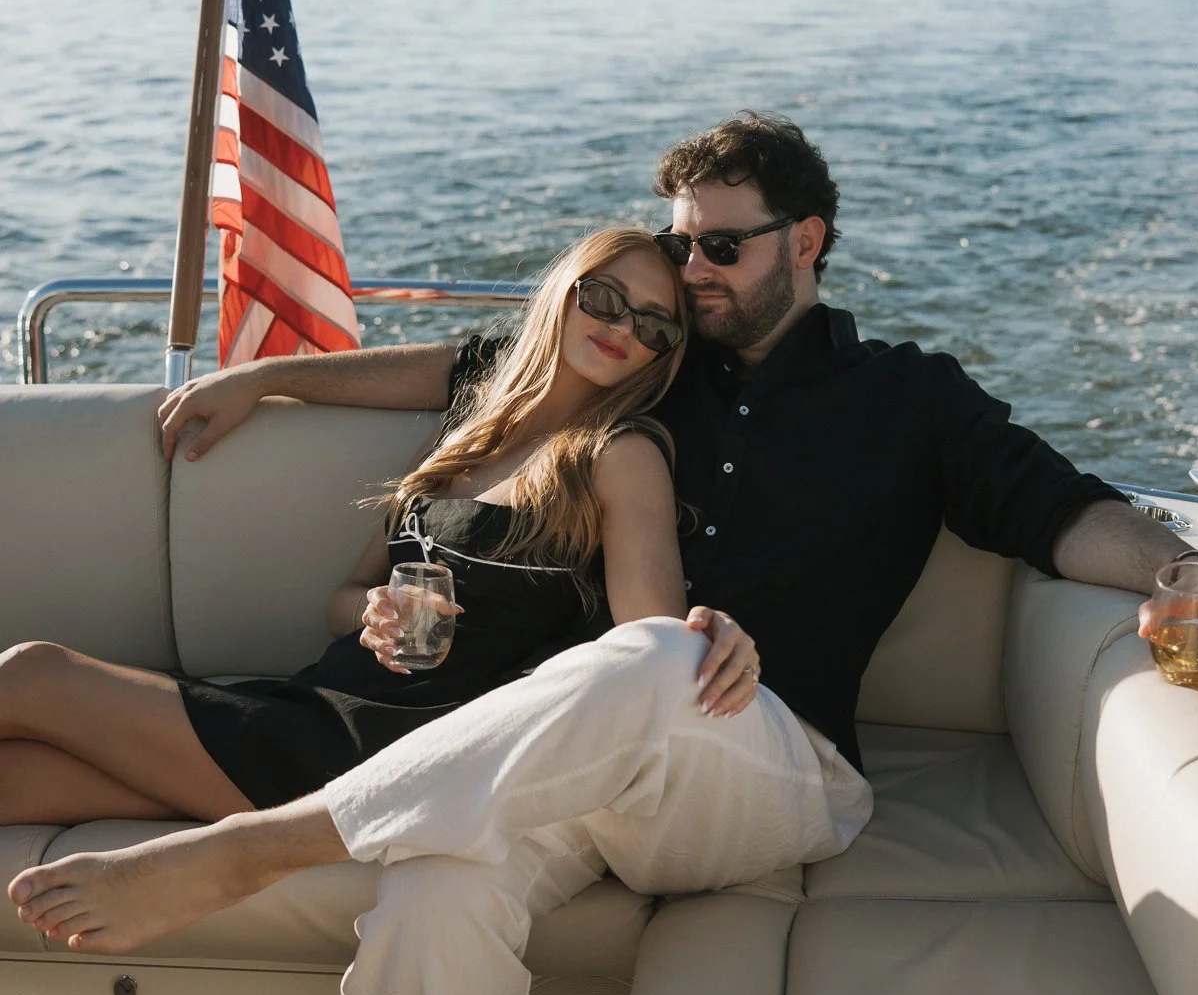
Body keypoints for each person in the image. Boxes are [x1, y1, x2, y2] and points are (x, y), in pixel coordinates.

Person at [9, 113, 1198, 995]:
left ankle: (258, 846)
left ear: (807, 241)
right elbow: (477, 367)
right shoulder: (646, 378)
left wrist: (1187, 571)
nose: (695, 276)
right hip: (576, 768)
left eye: (720, 250)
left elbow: (1061, 509)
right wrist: (273, 382)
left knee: (655, 653)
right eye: (681, 249)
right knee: (434, 908)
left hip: (769, 771)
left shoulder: (907, 398)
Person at [0, 224, 762, 828]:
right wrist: (369, 615)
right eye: (604, 299)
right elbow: (346, 595)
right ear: (563, 291)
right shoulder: (471, 426)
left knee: (32, 672)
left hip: (401, 746)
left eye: (655, 327)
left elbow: (645, 647)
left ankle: (287, 804)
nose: (623, 329)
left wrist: (708, 639)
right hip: (320, 705)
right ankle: (233, 798)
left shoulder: (618, 456)